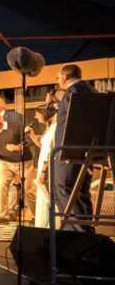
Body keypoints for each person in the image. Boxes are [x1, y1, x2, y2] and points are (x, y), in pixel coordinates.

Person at [52, 64, 97, 232]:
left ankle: (78, 237)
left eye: (57, 77)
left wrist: (64, 152)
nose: (57, 81)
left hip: (70, 151)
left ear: (66, 76)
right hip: (83, 151)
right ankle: (83, 237)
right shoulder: (89, 90)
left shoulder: (74, 91)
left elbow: (76, 121)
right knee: (79, 193)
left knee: (66, 190)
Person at [0, 112, 36, 224]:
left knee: (28, 191)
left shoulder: (16, 126)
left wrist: (18, 147)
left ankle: (36, 215)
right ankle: (2, 216)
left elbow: (30, 140)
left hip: (24, 162)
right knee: (1, 188)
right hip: (5, 162)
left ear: (1, 117)